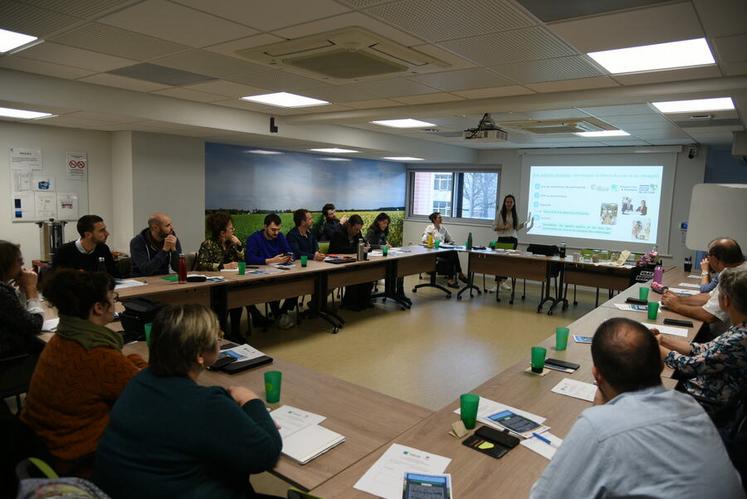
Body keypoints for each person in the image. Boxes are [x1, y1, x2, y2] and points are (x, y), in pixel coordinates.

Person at [530, 317, 744, 499]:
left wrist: (599, 413)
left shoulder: (598, 427)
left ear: (597, 376)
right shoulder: (690, 406)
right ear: (661, 366)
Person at [94, 304, 282, 498]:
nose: (220, 340)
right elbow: (266, 455)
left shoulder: (139, 381)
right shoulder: (204, 404)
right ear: (200, 355)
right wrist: (251, 400)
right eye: (217, 336)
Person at [21, 269, 147, 476]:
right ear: (98, 308)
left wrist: (128, 361)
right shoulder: (97, 354)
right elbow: (145, 392)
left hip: (43, 449)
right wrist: (138, 360)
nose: (115, 302)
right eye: (112, 298)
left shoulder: (63, 338)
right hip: (78, 459)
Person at [655, 267, 747, 416]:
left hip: (707, 402)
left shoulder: (739, 339)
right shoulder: (740, 327)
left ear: (725, 300)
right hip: (710, 393)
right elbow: (703, 349)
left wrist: (655, 346)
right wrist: (663, 339)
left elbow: (690, 366)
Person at [196, 213, 265, 339]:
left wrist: (239, 245)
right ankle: (225, 331)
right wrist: (223, 266)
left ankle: (236, 331)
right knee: (230, 296)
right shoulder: (208, 244)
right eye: (231, 228)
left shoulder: (231, 244)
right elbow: (202, 264)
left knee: (238, 295)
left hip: (231, 282)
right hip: (214, 286)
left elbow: (243, 260)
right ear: (222, 232)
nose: (233, 231)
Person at [662, 238, 746, 324]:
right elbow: (709, 296)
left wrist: (676, 306)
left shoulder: (733, 276)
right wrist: (679, 299)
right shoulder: (737, 269)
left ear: (715, 260)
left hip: (716, 335)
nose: (707, 259)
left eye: (708, 256)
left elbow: (709, 315)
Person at [245, 213, 297, 329]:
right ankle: (278, 314)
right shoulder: (254, 238)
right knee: (272, 287)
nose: (276, 233)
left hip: (279, 272)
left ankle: (281, 312)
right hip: (259, 275)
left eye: (278, 230)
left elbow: (289, 251)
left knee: (298, 283)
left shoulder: (280, 237)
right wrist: (269, 260)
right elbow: (249, 259)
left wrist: (290, 257)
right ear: (265, 227)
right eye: (273, 230)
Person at [0, 241, 43, 358]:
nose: (23, 263)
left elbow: (18, 315)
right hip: (10, 357)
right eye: (19, 260)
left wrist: (23, 290)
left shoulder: (4, 289)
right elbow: (34, 325)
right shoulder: (1, 292)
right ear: (6, 263)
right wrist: (31, 289)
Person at [330, 215, 373, 310]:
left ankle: (363, 301)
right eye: (356, 229)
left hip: (352, 262)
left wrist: (368, 247)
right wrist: (358, 249)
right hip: (336, 264)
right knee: (355, 274)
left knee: (368, 273)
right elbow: (339, 249)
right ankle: (350, 302)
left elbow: (364, 245)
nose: (357, 232)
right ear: (349, 225)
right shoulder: (338, 233)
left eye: (359, 230)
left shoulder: (358, 233)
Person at [52, 215, 117, 276]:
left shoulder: (103, 249)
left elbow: (113, 275)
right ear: (88, 235)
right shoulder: (63, 251)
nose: (107, 233)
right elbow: (55, 280)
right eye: (102, 231)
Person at [365, 213, 408, 301]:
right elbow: (367, 245)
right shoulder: (372, 231)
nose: (386, 225)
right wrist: (381, 247)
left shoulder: (383, 231)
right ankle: (390, 292)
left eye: (387, 223)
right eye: (384, 223)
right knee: (392, 267)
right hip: (374, 259)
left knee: (400, 266)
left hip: (384, 256)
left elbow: (384, 243)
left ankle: (399, 292)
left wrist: (387, 245)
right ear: (378, 221)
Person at [493, 195, 533, 290]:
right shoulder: (500, 213)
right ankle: (497, 283)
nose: (509, 204)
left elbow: (516, 228)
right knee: (499, 262)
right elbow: (494, 227)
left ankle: (503, 282)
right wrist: (504, 227)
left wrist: (526, 223)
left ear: (514, 203)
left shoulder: (515, 214)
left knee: (508, 262)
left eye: (511, 202)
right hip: (502, 239)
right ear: (504, 203)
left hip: (513, 240)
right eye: (507, 202)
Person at [421, 212, 466, 288]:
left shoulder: (443, 228)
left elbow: (451, 240)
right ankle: (458, 275)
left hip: (443, 250)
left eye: (441, 217)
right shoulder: (430, 228)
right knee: (453, 254)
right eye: (439, 217)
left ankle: (452, 278)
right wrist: (435, 242)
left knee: (453, 253)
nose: (441, 219)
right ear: (434, 220)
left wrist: (448, 244)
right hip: (433, 250)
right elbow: (423, 239)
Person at [129, 212, 182, 276]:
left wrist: (174, 250)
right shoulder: (137, 242)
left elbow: (179, 269)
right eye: (167, 225)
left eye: (171, 224)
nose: (172, 228)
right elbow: (146, 270)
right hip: (141, 279)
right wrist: (164, 250)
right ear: (155, 228)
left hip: (163, 279)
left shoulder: (171, 238)